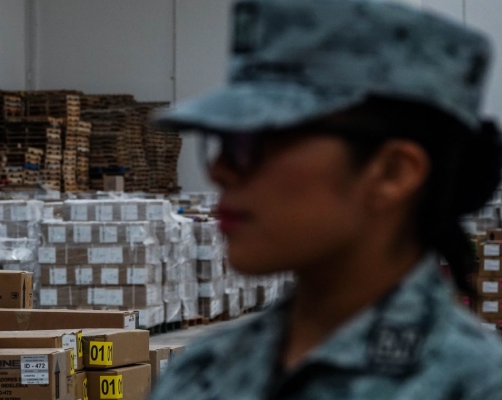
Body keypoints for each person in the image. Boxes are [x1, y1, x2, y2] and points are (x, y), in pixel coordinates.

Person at [148, 0, 502, 399]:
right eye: (223, 142)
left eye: (254, 142)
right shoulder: (200, 372)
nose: (219, 171)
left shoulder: (474, 385)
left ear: (393, 172)